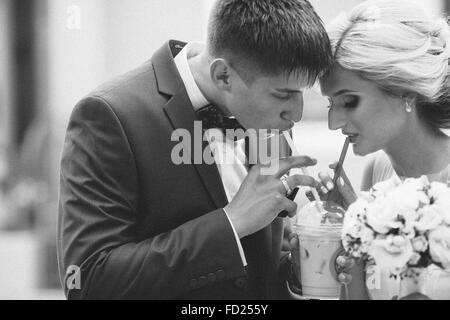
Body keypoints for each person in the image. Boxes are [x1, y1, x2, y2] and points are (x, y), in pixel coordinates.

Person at [57, 0, 333, 299]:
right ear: (223, 76)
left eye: (302, 92)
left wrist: (299, 268)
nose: (297, 113)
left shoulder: (270, 120)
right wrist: (232, 223)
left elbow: (259, 270)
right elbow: (87, 281)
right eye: (283, 94)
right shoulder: (110, 115)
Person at [314, 0, 450, 299]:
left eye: (348, 101)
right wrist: (354, 229)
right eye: (330, 104)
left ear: (405, 91)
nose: (333, 122)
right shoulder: (378, 170)